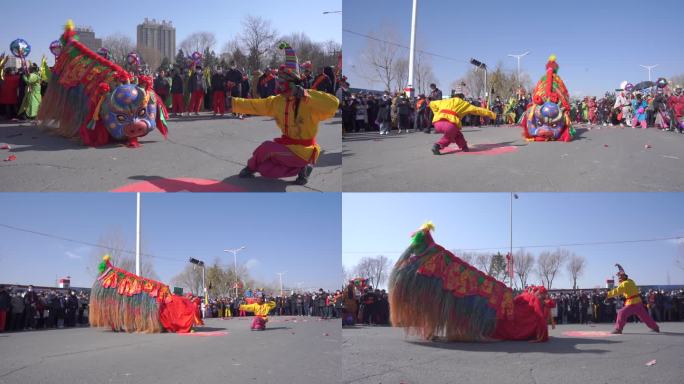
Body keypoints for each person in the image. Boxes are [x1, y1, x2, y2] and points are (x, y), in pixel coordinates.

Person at [230, 42, 339, 185]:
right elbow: (256, 105)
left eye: (282, 80)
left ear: (293, 83)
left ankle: (250, 168)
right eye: (278, 79)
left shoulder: (308, 99)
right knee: (266, 169)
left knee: (266, 148)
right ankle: (303, 168)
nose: (278, 83)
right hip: (287, 147)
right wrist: (234, 103)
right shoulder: (278, 101)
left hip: (304, 150)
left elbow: (333, 104)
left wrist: (307, 95)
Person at [428, 93, 496, 155]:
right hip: (450, 123)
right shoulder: (464, 103)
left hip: (437, 123)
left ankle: (464, 146)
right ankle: (437, 146)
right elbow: (478, 110)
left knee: (457, 133)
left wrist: (437, 113)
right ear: (462, 98)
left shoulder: (444, 101)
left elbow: (431, 104)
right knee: (449, 137)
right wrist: (492, 114)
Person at [607, 264, 659, 334]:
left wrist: (607, 295)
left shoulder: (625, 284)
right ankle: (655, 327)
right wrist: (620, 268)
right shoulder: (630, 281)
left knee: (621, 313)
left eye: (619, 277)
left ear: (622, 278)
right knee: (644, 316)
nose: (619, 278)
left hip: (632, 303)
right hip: (638, 302)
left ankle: (618, 329)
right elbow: (623, 274)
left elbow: (617, 291)